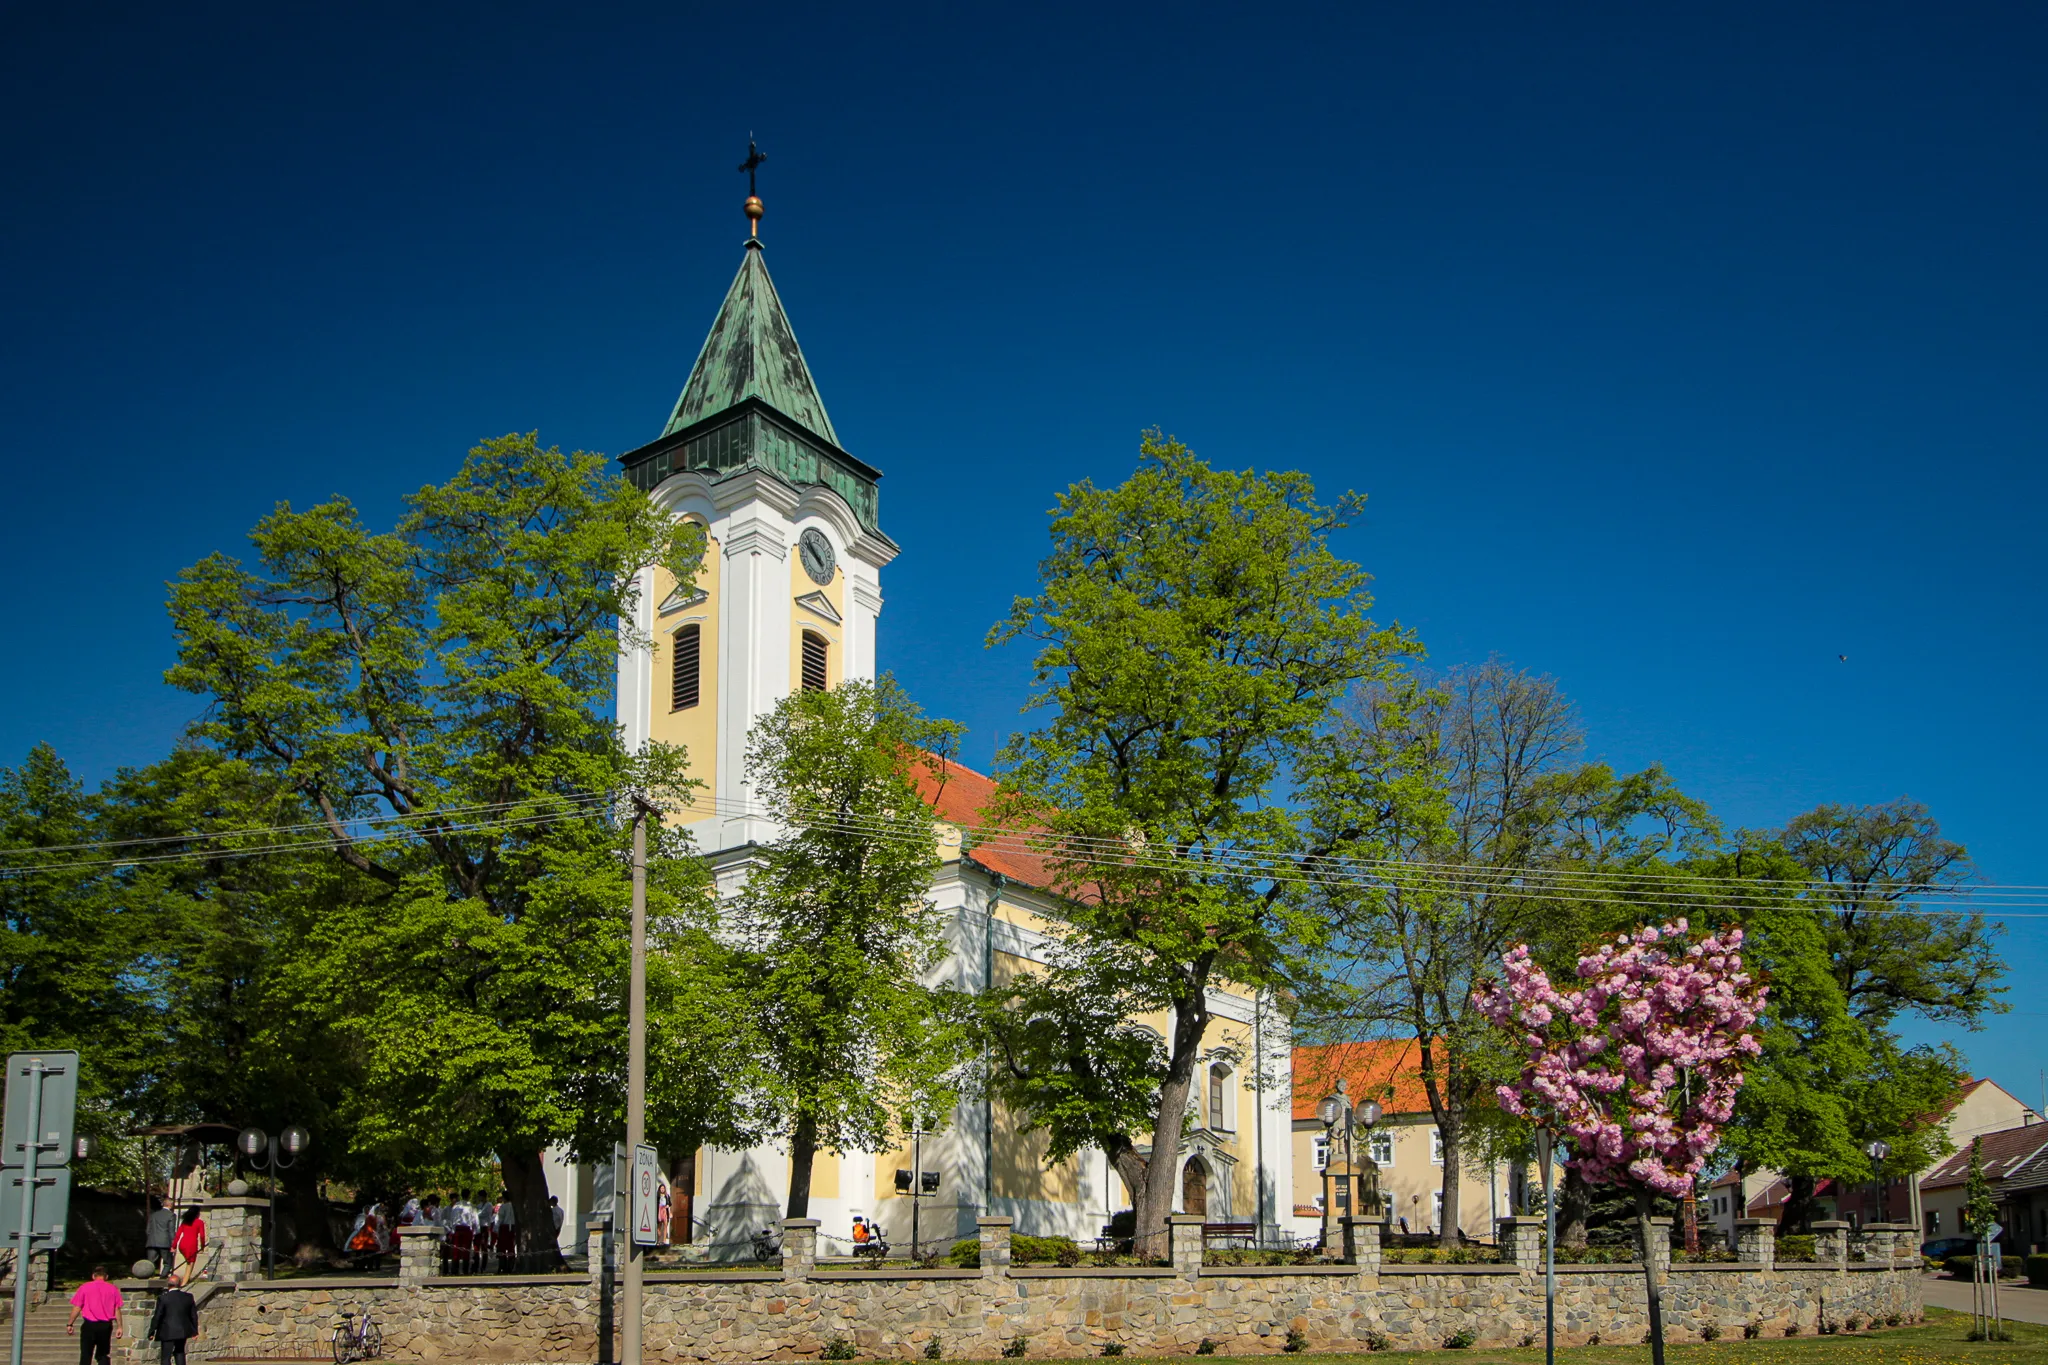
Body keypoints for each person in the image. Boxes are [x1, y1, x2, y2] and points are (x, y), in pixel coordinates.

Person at [66, 1265, 123, 1365]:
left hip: (89, 1324)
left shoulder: (85, 1287)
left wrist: (70, 1324)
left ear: (93, 1276)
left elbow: (77, 1307)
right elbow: (117, 1309)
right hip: (105, 1326)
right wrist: (120, 1327)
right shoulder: (113, 1289)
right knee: (103, 1354)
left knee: (86, 1354)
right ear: (106, 1277)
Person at [145, 1272, 201, 1365]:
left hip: (167, 1330)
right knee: (179, 1352)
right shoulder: (188, 1297)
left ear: (168, 1285)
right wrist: (194, 1331)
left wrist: (152, 1331)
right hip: (182, 1330)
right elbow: (193, 1315)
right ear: (179, 1284)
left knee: (166, 1356)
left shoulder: (163, 1298)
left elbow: (158, 1316)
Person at [144, 1197, 178, 1276]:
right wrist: (173, 1244)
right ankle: (162, 1279)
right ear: (171, 1205)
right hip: (164, 1242)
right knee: (168, 1263)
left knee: (150, 1263)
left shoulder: (154, 1214)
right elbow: (171, 1231)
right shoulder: (171, 1215)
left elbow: (148, 1230)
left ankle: (147, 1278)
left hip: (152, 1241)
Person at [173, 1208, 207, 1282]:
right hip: (191, 1244)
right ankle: (184, 1282)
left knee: (188, 1262)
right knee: (190, 1264)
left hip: (182, 1243)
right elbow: (202, 1236)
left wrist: (174, 1246)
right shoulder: (199, 1222)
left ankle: (185, 1280)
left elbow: (178, 1234)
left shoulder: (185, 1222)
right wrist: (202, 1247)